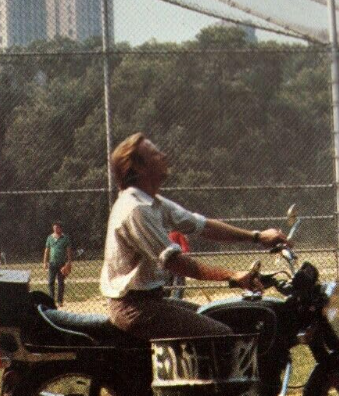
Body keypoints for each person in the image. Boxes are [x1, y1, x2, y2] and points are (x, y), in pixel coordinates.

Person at [100, 133, 288, 340]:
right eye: (154, 154)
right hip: (134, 308)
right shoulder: (136, 209)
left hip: (151, 301)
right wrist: (231, 275)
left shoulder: (153, 202)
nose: (163, 156)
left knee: (217, 314)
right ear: (140, 168)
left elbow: (203, 226)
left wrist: (257, 236)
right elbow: (175, 262)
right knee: (221, 335)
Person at [42, 222, 73, 306]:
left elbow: (68, 251)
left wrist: (69, 262)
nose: (55, 229)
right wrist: (45, 262)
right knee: (50, 282)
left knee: (60, 282)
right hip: (52, 263)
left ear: (60, 228)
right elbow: (47, 250)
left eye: (57, 228)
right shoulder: (50, 238)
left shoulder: (65, 238)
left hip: (61, 264)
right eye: (54, 228)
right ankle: (51, 300)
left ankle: (60, 301)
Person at [168, 230, 190, 299]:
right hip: (178, 262)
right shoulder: (179, 234)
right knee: (179, 283)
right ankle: (177, 299)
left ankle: (166, 298)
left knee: (168, 282)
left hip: (167, 261)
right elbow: (185, 249)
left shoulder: (167, 234)